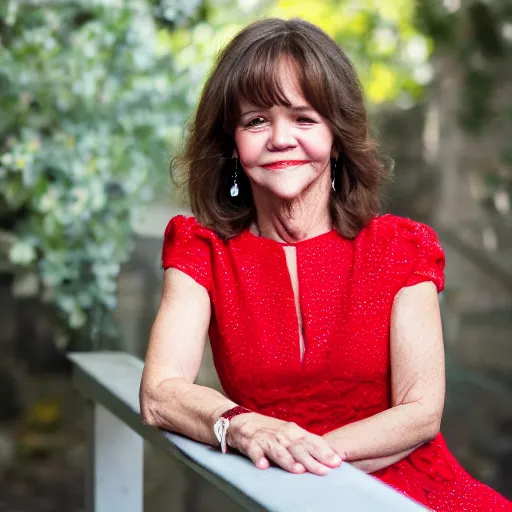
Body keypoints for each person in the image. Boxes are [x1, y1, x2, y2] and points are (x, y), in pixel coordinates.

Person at [139, 17, 511, 511]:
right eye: (256, 121)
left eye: (304, 118)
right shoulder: (201, 249)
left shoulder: (401, 248)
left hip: (418, 495)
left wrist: (302, 459)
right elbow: (161, 391)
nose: (280, 138)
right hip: (283, 497)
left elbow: (421, 412)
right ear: (231, 142)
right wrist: (244, 426)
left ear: (337, 135)